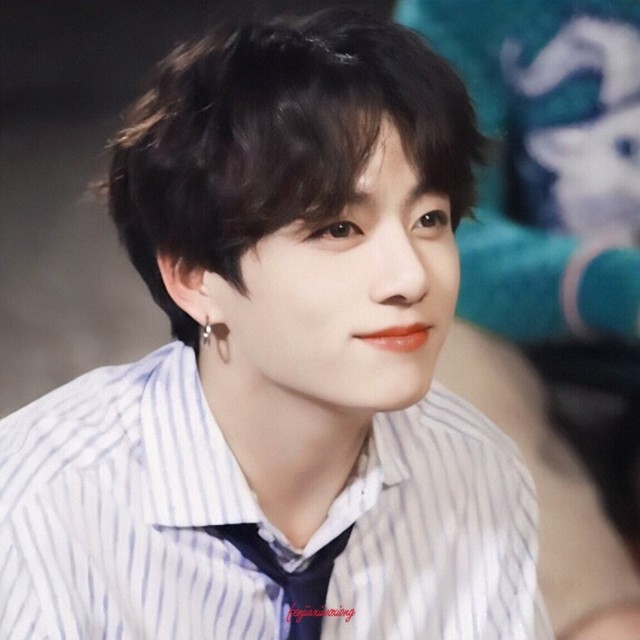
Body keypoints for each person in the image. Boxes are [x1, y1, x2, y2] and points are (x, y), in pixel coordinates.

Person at [0, 9, 551, 639]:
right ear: (194, 278)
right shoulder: (40, 507)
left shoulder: (476, 471)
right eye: (338, 229)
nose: (410, 277)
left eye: (430, 220)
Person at [395, 0, 640, 638]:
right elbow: (432, 233)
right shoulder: (454, 16)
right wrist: (615, 287)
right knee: (422, 347)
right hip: (531, 351)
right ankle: (602, 621)